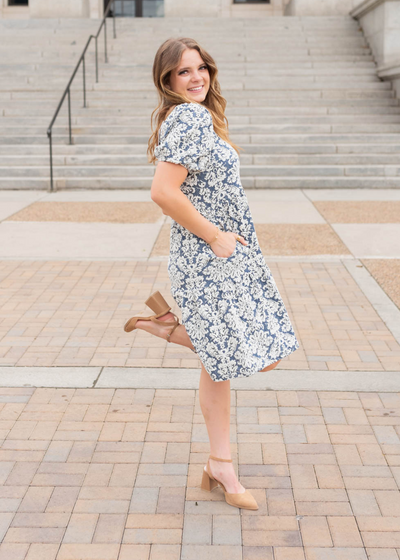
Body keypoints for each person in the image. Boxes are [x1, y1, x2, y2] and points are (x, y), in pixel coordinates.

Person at [124, 37, 300, 510]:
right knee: (254, 353)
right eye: (183, 71)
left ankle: (219, 464)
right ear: (167, 80)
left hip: (221, 254)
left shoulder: (195, 117)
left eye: (200, 68)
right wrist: (216, 236)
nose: (196, 77)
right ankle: (167, 328)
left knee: (224, 361)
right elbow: (163, 192)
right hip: (209, 257)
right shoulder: (187, 117)